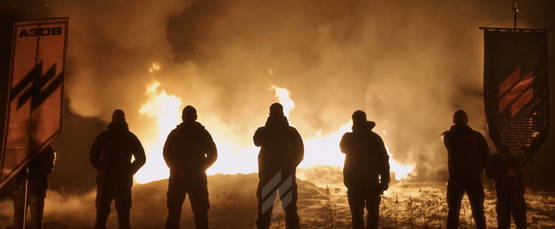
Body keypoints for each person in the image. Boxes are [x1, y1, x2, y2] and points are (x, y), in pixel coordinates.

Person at [90, 109, 146, 229]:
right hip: (109, 181)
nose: (118, 120)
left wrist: (129, 171)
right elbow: (93, 156)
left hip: (118, 182)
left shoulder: (111, 137)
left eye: (119, 118)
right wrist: (102, 170)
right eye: (117, 118)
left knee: (121, 217)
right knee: (104, 216)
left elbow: (141, 158)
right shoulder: (109, 137)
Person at [163, 105, 217, 229]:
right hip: (191, 179)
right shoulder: (200, 133)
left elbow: (166, 154)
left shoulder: (177, 134)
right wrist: (200, 168)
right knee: (198, 214)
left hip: (182, 179)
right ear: (196, 117)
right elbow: (213, 154)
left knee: (177, 213)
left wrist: (176, 169)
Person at [254, 103, 304, 229]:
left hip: (269, 178)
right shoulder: (290, 132)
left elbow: (257, 140)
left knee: (265, 213)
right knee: (290, 211)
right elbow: (300, 153)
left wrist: (290, 167)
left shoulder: (266, 131)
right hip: (284, 177)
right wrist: (290, 167)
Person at [340, 110, 390, 229]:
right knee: (372, 215)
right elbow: (384, 161)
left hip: (356, 183)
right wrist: (384, 180)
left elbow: (383, 160)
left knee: (358, 217)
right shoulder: (374, 138)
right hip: (369, 183)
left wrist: (384, 181)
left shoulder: (350, 138)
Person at [442, 109, 489, 229]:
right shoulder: (476, 136)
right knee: (478, 212)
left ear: (454, 121)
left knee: (453, 212)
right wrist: (479, 169)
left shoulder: (449, 136)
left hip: (456, 178)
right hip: (473, 178)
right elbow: (486, 156)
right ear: (467, 121)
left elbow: (444, 139)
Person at [13, 144, 56, 229]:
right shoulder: (22, 143)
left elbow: (49, 166)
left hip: (35, 187)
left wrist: (34, 174)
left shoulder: (44, 144)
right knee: (19, 222)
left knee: (35, 222)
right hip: (23, 187)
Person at [486, 153, 527, 229]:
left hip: (516, 192)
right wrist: (503, 174)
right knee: (504, 223)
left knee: (520, 222)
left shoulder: (518, 156)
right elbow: (489, 173)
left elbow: (489, 173)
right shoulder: (497, 157)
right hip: (504, 193)